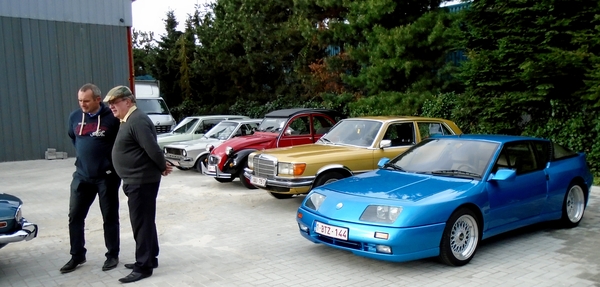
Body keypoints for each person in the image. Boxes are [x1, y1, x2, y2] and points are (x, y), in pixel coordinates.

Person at [103, 85, 173, 284]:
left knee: (141, 223)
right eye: (110, 104)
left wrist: (162, 166)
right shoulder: (129, 119)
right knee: (145, 221)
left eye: (115, 102)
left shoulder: (137, 120)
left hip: (141, 181)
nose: (112, 107)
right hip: (136, 181)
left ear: (128, 101)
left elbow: (152, 148)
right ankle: (150, 257)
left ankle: (143, 266)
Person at [61, 83, 121, 273]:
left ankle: (112, 255)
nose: (82, 104)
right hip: (82, 176)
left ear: (97, 99)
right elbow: (74, 138)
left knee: (109, 217)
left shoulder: (112, 118)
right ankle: (77, 255)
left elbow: (122, 143)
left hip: (107, 177)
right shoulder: (75, 117)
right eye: (80, 101)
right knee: (75, 217)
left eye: (86, 101)